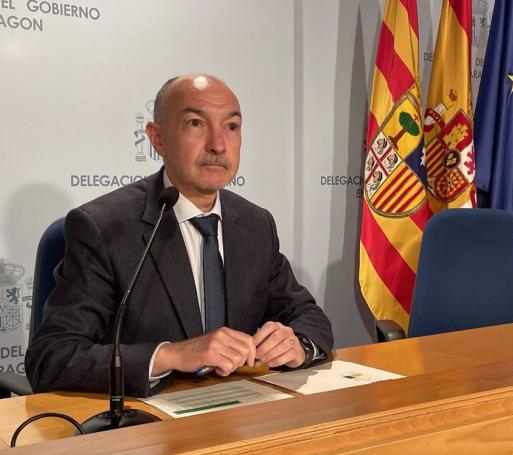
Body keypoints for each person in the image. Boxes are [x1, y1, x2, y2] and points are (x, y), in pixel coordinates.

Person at [25, 74, 333, 397]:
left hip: (242, 411)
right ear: (158, 138)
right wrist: (170, 355)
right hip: (149, 418)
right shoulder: (103, 227)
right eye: (196, 124)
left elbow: (309, 317)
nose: (218, 145)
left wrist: (298, 344)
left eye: (231, 126)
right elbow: (52, 357)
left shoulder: (256, 224)